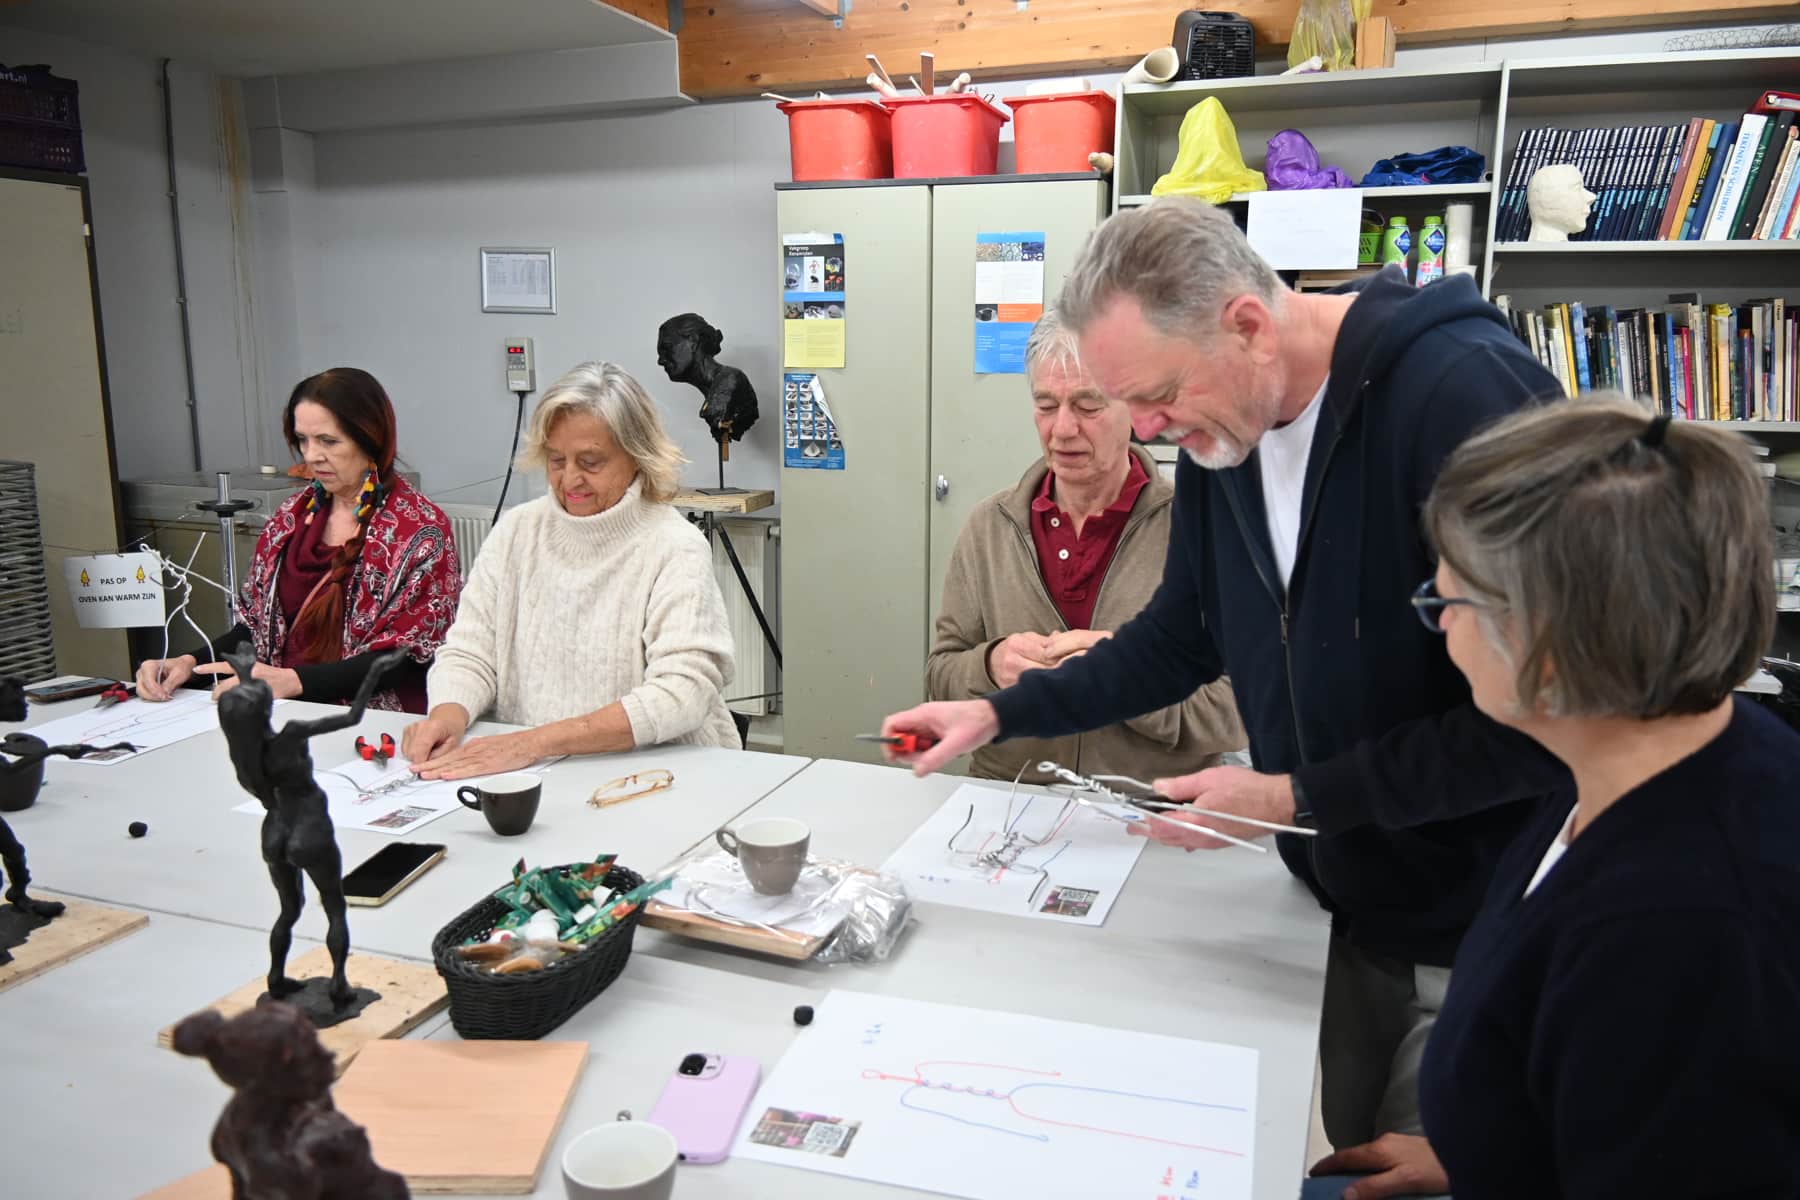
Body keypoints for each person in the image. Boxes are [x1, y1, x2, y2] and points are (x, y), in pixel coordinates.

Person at [882, 197, 1568, 1150]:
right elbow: (1179, 638)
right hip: (1334, 890)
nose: (1149, 430)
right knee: (1345, 1141)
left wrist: (1294, 795)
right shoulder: (1226, 430)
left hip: (1473, 915)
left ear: (1247, 324)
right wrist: (1000, 713)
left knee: (1451, 1155)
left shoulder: (1464, 394)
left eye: (1157, 396)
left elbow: (1552, 716)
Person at [1307, 399, 1800, 1199]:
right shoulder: (1632, 760)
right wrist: (1487, 1143)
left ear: (1553, 641)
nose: (1442, 625)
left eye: (1451, 603)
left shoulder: (1687, 930)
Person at [928, 308, 1244, 783]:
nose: (1062, 429)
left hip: (1147, 805)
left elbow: (1241, 709)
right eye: (1046, 405)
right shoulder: (989, 528)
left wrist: (1132, 681)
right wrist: (990, 666)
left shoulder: (1201, 531)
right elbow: (940, 676)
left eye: (1088, 405)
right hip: (1009, 799)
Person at [402, 361, 739, 779]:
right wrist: (447, 715)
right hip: (539, 770)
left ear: (638, 456)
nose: (570, 480)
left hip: (658, 774)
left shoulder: (674, 546)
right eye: (557, 460)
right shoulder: (517, 531)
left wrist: (532, 744)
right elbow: (471, 652)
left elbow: (682, 692)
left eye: (591, 462)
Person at [134, 368, 461, 713]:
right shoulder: (290, 518)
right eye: (303, 440)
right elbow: (257, 630)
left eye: (328, 441)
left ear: (371, 439)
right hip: (284, 711)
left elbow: (407, 656)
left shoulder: (420, 530)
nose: (311, 455)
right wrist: (190, 663)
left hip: (373, 720)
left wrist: (295, 681)